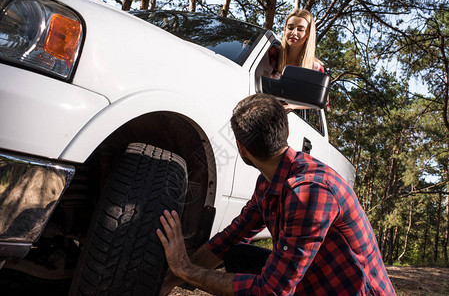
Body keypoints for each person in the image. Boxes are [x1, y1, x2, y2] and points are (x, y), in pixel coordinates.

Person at [157, 93, 396, 295]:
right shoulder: (268, 183)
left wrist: (186, 269)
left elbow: (271, 290)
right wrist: (171, 278)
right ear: (287, 132)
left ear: (242, 149)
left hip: (349, 291)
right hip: (313, 282)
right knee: (238, 255)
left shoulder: (311, 192)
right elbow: (231, 237)